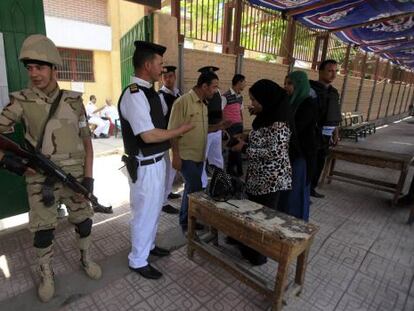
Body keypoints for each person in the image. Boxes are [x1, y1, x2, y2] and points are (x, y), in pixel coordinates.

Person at [0, 34, 101, 302]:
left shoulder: (73, 101)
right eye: (29, 68)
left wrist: (88, 180)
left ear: (54, 68)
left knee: (85, 221)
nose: (34, 74)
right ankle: (46, 273)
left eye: (40, 67)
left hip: (75, 178)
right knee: (43, 230)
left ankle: (85, 257)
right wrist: (11, 163)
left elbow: (87, 143)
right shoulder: (21, 101)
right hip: (40, 179)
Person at [117, 41, 193, 280]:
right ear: (148, 65)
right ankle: (137, 260)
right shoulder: (134, 95)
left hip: (158, 161)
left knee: (154, 211)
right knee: (143, 214)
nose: (163, 69)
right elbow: (148, 135)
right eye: (160, 64)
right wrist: (179, 131)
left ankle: (148, 247)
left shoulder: (150, 92)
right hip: (145, 166)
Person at [232, 79, 292, 265]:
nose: (252, 104)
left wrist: (243, 148)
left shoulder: (280, 123)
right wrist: (246, 136)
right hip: (259, 176)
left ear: (267, 99)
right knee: (252, 215)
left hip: (271, 180)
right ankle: (247, 246)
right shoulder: (267, 115)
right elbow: (263, 137)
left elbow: (274, 152)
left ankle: (258, 255)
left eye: (255, 101)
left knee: (262, 219)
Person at [169, 71, 228, 231]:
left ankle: (188, 220)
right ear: (204, 86)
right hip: (185, 155)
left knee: (192, 189)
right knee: (194, 187)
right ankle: (186, 222)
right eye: (214, 87)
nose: (216, 91)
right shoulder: (182, 102)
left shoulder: (203, 105)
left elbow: (203, 129)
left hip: (199, 156)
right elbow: (173, 131)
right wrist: (176, 156)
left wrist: (218, 127)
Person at [279, 71, 318, 222]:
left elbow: (294, 128)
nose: (286, 87)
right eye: (285, 83)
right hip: (288, 154)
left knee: (296, 193)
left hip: (301, 156)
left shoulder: (308, 104)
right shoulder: (290, 101)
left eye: (289, 83)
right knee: (285, 193)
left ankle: (295, 226)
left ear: (299, 85)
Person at [310, 59, 342, 198]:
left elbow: (334, 114)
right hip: (312, 133)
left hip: (327, 136)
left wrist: (336, 133)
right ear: (321, 71)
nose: (333, 75)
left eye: (336, 71)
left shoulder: (334, 93)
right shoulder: (311, 89)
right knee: (310, 163)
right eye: (330, 71)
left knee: (320, 163)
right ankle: (304, 189)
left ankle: (312, 188)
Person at [198, 66, 231, 189]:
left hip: (217, 130)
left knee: (217, 158)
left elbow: (220, 110)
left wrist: (222, 127)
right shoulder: (202, 94)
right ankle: (202, 184)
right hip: (206, 131)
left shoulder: (216, 92)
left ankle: (221, 181)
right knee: (202, 159)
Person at [159, 65, 182, 214]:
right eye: (165, 77)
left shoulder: (178, 94)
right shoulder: (160, 96)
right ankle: (162, 201)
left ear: (175, 77)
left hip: (176, 137)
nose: (168, 79)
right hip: (165, 139)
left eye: (171, 76)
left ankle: (167, 192)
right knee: (166, 169)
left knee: (173, 167)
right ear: (162, 79)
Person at [222, 74, 246, 177]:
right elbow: (221, 111)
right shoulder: (225, 96)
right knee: (235, 149)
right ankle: (238, 172)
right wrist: (224, 127)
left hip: (239, 127)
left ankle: (231, 172)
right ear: (239, 82)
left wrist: (242, 124)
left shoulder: (240, 97)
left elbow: (240, 112)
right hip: (230, 128)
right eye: (244, 82)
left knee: (236, 150)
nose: (245, 84)